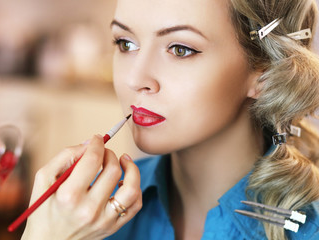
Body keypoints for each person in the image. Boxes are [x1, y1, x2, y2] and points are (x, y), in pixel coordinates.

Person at [21, 0, 319, 239]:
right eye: (125, 43)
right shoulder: (84, 215)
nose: (135, 79)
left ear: (267, 72)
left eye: (180, 49)